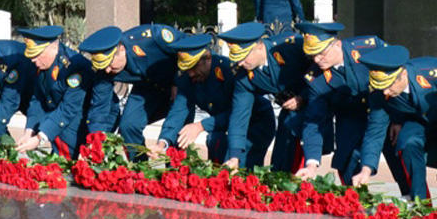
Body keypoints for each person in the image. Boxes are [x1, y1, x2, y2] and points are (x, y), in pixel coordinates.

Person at [352, 44, 437, 207]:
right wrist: (365, 169)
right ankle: (421, 205)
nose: (386, 93)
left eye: (389, 86)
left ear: (403, 74)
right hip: (421, 123)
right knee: (407, 143)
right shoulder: (380, 91)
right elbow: (375, 130)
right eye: (382, 88)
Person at [291, 21, 404, 186]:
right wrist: (311, 165)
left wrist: (398, 118)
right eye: (312, 55)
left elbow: (399, 79)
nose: (317, 60)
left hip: (385, 111)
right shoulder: (315, 78)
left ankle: (413, 199)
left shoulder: (370, 48)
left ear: (337, 44)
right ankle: (356, 202)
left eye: (321, 53)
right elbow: (314, 120)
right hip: (350, 116)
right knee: (346, 160)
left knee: (401, 155)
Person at [155, 32, 275, 167]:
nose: (191, 73)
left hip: (255, 123)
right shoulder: (188, 78)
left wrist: (200, 126)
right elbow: (178, 111)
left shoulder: (229, 71)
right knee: (216, 150)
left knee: (240, 170)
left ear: (207, 58)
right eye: (187, 68)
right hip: (224, 126)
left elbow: (239, 113)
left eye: (194, 67)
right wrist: (162, 143)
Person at [217, 21, 310, 171]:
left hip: (314, 105)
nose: (240, 63)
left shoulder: (290, 47)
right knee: (279, 164)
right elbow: (239, 115)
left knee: (298, 161)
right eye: (237, 58)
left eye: (244, 57)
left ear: (259, 46)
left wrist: (303, 97)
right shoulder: (243, 75)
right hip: (289, 112)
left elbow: (321, 73)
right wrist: (234, 156)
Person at [78, 24, 180, 160]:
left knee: (178, 129)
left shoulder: (153, 37)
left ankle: (175, 172)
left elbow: (187, 49)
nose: (107, 70)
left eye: (110, 64)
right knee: (128, 125)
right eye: (104, 66)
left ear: (121, 49)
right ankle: (140, 170)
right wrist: (97, 139)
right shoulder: (104, 71)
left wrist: (177, 81)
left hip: (179, 86)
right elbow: (100, 107)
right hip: (147, 89)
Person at [15, 25, 93, 157]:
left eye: (37, 55)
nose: (33, 60)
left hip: (89, 114)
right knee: (49, 121)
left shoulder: (74, 67)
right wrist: (29, 131)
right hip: (68, 110)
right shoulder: (40, 64)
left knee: (61, 130)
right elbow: (37, 98)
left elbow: (68, 110)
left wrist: (39, 139)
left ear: (52, 48)